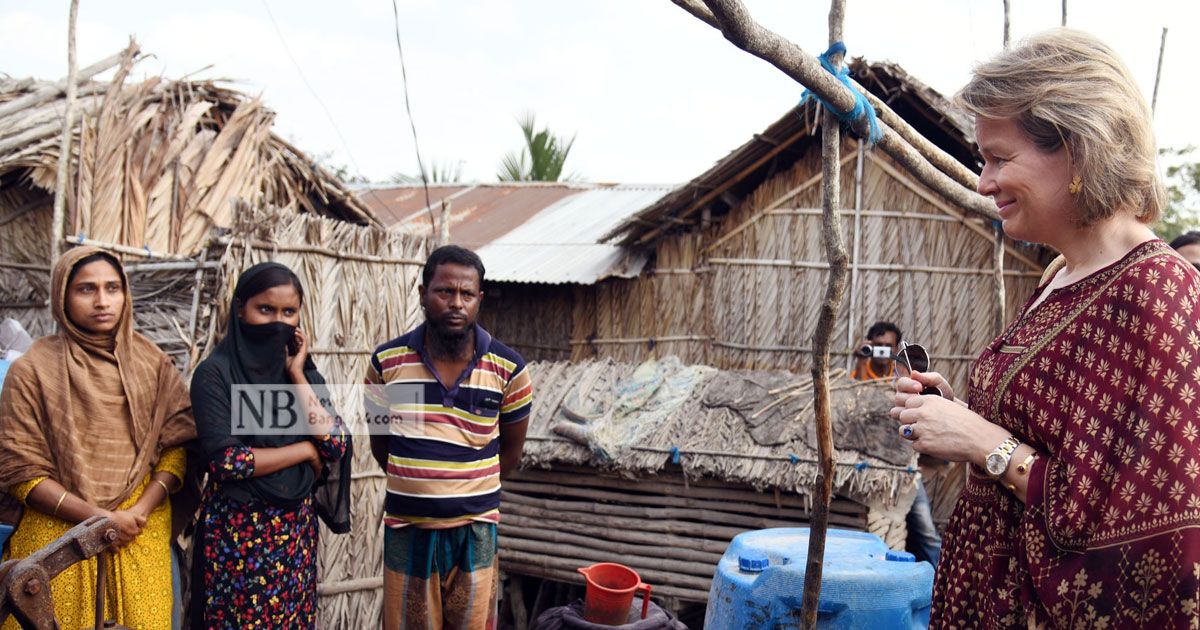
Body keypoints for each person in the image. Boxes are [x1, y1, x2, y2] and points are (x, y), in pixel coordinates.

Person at [892, 29, 1200, 627]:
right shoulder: (1063, 272)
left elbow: (1149, 536)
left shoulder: (1157, 291)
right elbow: (1058, 447)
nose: (983, 183)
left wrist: (984, 443)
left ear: (1080, 149)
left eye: (1000, 159)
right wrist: (956, 418)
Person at [0, 246, 196, 629]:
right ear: (62, 296)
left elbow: (177, 445)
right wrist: (100, 521)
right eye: (86, 289)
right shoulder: (32, 371)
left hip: (140, 531)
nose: (102, 301)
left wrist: (136, 513)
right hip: (60, 538)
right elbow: (20, 469)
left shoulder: (153, 364)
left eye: (112, 288)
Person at [366, 245, 532, 630]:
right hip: (408, 531)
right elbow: (382, 443)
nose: (456, 303)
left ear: (479, 299)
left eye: (466, 294)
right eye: (444, 292)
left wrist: (463, 494)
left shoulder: (509, 369)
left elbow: (509, 453)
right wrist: (420, 487)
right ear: (423, 293)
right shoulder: (387, 364)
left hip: (474, 533)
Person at [189, 262, 351, 629]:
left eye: (288, 312)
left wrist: (295, 374)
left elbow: (337, 444)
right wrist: (306, 451)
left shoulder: (303, 374)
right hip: (238, 539)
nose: (279, 321)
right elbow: (228, 462)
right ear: (240, 308)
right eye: (266, 310)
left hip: (294, 537)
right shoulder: (215, 374)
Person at [849, 321, 943, 567]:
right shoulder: (861, 373)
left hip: (905, 469)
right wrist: (861, 360)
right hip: (871, 468)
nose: (881, 352)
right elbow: (855, 399)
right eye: (876, 347)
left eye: (887, 347)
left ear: (896, 349)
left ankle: (938, 586)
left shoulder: (904, 376)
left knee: (926, 532)